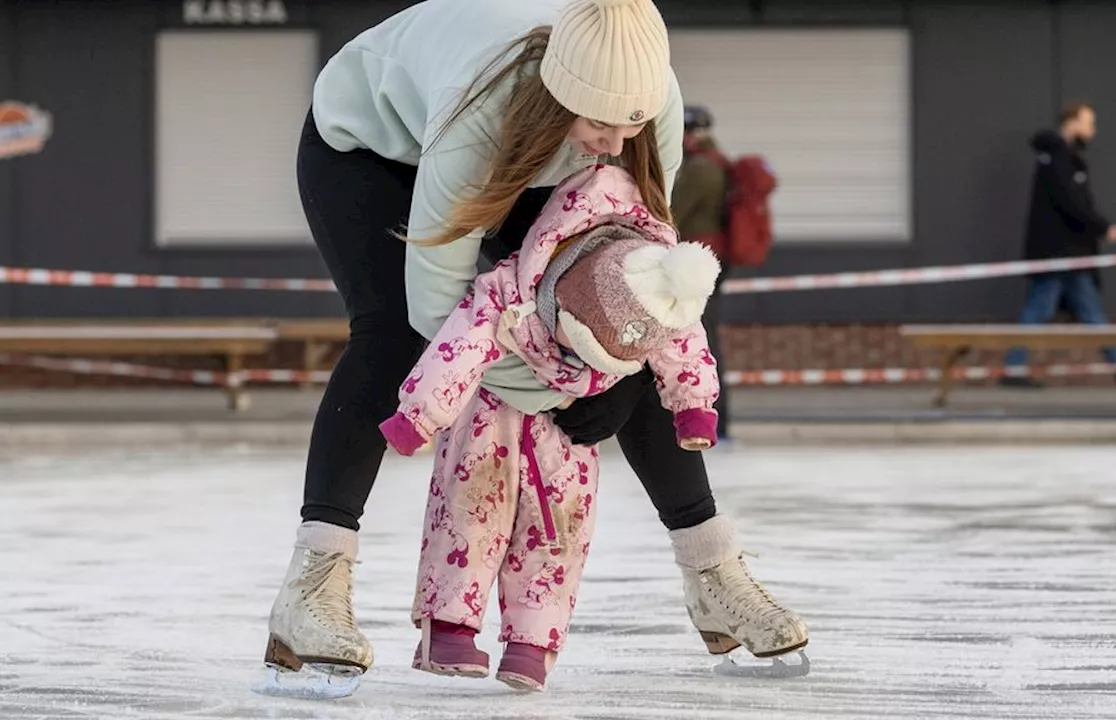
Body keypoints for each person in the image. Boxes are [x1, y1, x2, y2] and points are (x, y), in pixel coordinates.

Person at [264, 0, 807, 696]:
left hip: (532, 153)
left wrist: (617, 380)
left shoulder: (651, 103)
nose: (615, 143)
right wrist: (557, 387)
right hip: (371, 151)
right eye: (599, 123)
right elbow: (439, 306)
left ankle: (714, 573)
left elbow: (645, 269)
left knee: (614, 309)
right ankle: (311, 587)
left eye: (630, 124)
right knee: (394, 332)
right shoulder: (481, 113)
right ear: (561, 95)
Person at [380, 164, 723, 692]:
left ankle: (531, 643)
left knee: (559, 529)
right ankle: (448, 626)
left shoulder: (652, 282)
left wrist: (693, 405)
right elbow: (460, 345)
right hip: (486, 414)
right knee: (470, 510)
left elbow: (683, 340)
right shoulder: (510, 290)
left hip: (568, 422)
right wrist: (419, 415)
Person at [1002, 101, 1116, 387]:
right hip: (1057, 252)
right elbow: (1070, 202)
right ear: (1072, 122)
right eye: (1089, 123)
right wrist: (1103, 227)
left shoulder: (1064, 158)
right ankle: (1014, 368)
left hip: (1073, 252)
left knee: (1090, 309)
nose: (1092, 131)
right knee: (1040, 309)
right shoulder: (1057, 158)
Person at [672, 105, 732, 441]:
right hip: (703, 261)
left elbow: (673, 211)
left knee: (702, 341)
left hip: (700, 264)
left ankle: (715, 421)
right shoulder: (712, 163)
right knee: (702, 338)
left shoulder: (702, 168)